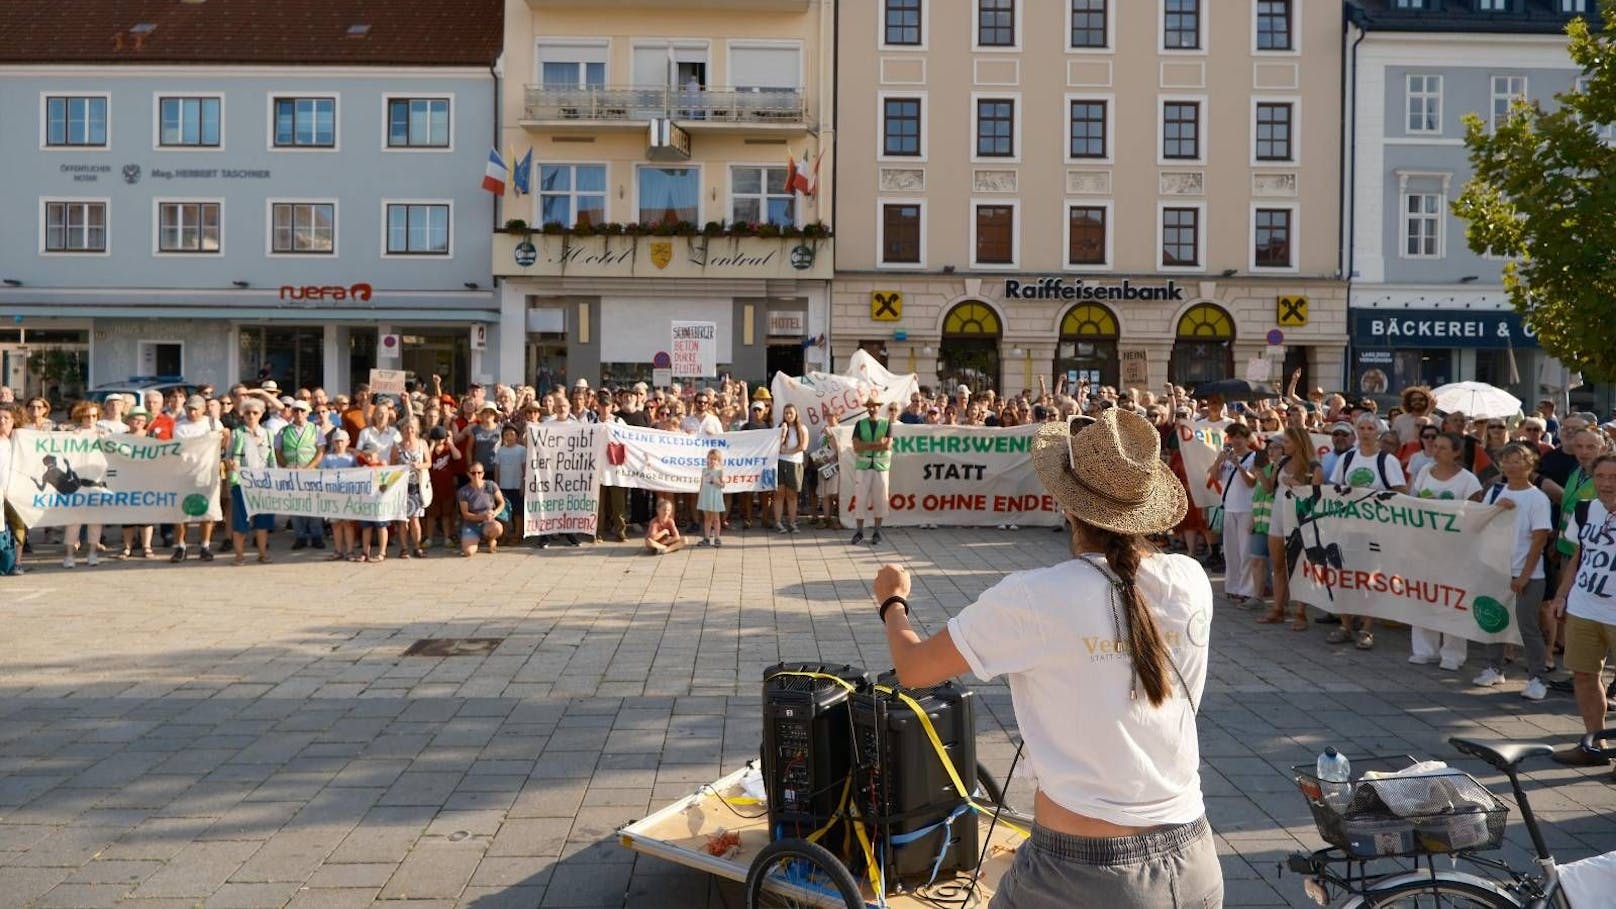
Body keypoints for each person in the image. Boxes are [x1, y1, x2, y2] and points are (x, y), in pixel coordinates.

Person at [871, 409, 1221, 908]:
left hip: (1082, 871)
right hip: (1194, 856)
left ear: (1065, 504)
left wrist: (893, 601)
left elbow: (914, 669)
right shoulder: (1190, 580)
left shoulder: (1036, 598)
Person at [1547, 454, 1616, 771]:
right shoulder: (1586, 509)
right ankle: (1594, 744)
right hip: (1584, 607)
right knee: (1585, 676)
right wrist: (1561, 595)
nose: (1606, 483)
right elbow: (1578, 555)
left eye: (1613, 477)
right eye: (1600, 476)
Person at [1472, 443, 1554, 699]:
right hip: (1495, 569)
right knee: (1493, 619)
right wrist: (1497, 508)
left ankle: (1538, 678)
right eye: (1506, 461)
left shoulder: (1538, 498)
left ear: (1530, 464)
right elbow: (1479, 523)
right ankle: (1493, 668)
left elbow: (1539, 540)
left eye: (1518, 461)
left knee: (1527, 626)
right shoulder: (1495, 490)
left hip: (1527, 573)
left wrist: (1524, 576)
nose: (1511, 466)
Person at [1327, 412, 1409, 650]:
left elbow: (1401, 492)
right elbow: (1336, 488)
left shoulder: (1387, 461)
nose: (1365, 433)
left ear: (1379, 432)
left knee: (1370, 578)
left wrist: (1378, 500)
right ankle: (1345, 625)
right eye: (1361, 428)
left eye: (1370, 429)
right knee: (1343, 575)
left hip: (1375, 531)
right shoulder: (1348, 459)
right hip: (1348, 528)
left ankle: (1367, 628)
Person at [1407, 432, 1483, 670]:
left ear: (1456, 452)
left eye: (1442, 447)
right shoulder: (1424, 473)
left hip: (1455, 550)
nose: (1435, 450)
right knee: (1422, 595)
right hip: (1425, 546)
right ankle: (1424, 649)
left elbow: (1476, 513)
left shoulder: (1468, 480)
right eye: (1434, 446)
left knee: (1453, 598)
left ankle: (1452, 654)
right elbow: (1413, 503)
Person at [1260, 427, 1325, 629]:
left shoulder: (1314, 467)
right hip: (1278, 516)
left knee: (1299, 567)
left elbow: (1316, 499)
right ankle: (1278, 609)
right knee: (1278, 565)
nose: (1283, 446)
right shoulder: (1282, 462)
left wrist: (1296, 484)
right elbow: (1270, 488)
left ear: (1298, 443)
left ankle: (1300, 612)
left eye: (1287, 442)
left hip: (1301, 521)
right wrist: (1259, 471)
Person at [1209, 424, 1258, 602]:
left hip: (1246, 508)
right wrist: (1219, 460)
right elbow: (1214, 477)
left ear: (1246, 439)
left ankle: (1246, 590)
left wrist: (1238, 465)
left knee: (1245, 551)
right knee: (1230, 551)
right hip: (1229, 507)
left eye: (1239, 437)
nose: (1236, 441)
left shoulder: (1254, 456)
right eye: (1232, 437)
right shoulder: (1226, 457)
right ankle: (1232, 586)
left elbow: (1251, 483)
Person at [223, 398, 276, 565]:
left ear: (261, 414)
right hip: (241, 483)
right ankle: (239, 556)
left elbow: (272, 459)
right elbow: (228, 456)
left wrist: (274, 480)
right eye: (247, 412)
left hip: (263, 483)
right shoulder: (237, 433)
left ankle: (263, 554)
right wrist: (230, 463)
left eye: (255, 412)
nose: (251, 415)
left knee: (263, 521)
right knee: (240, 521)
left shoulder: (268, 433)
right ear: (242, 414)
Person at [277, 400, 325, 551]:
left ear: (307, 412)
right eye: (296, 410)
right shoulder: (283, 431)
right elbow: (278, 451)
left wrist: (308, 468)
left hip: (311, 473)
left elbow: (320, 452)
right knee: (296, 505)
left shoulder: (316, 429)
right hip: (292, 473)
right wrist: (286, 466)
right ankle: (301, 536)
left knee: (314, 505)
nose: (299, 413)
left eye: (302, 411)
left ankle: (316, 536)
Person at [849, 394, 893, 546]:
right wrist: (877, 444)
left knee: (880, 500)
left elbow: (887, 446)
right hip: (863, 466)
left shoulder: (887, 423)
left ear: (879, 407)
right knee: (860, 500)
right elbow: (856, 447)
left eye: (875, 406)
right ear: (867, 408)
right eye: (870, 406)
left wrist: (866, 445)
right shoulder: (860, 424)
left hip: (881, 468)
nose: (872, 408)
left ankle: (877, 531)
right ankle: (859, 531)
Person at [394, 416, 429, 559]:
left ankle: (417, 546)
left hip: (416, 486)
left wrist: (418, 466)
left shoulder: (422, 444)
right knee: (402, 519)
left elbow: (429, 463)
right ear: (402, 430)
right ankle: (403, 548)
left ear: (416, 429)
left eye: (412, 428)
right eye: (406, 428)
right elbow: (391, 465)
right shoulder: (397, 446)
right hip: (401, 487)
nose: (409, 430)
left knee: (415, 519)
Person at [320, 430, 359, 560]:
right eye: (337, 441)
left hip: (348, 495)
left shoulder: (351, 458)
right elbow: (322, 474)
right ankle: (337, 550)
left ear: (347, 442)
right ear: (333, 443)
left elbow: (359, 474)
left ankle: (349, 551)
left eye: (342, 441)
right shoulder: (327, 458)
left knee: (348, 523)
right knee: (336, 524)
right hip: (333, 495)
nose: (340, 443)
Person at [456, 463, 505, 556]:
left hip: (489, 522)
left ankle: (491, 539)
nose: (476, 475)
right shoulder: (463, 491)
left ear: (483, 473)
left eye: (479, 472)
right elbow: (465, 514)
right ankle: (475, 540)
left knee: (497, 528)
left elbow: (501, 502)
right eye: (473, 473)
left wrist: (495, 513)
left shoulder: (491, 485)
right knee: (468, 552)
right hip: (471, 524)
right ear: (468, 474)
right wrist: (483, 516)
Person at [774, 403, 808, 534]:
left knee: (792, 495)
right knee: (779, 494)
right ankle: (778, 522)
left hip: (794, 463)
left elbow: (803, 446)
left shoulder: (802, 429)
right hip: (780, 463)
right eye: (786, 413)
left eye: (791, 413)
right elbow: (775, 445)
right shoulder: (780, 427)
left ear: (795, 414)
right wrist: (783, 434)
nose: (788, 415)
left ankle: (792, 522)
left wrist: (788, 451)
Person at [494, 425, 527, 545]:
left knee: (518, 512)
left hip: (517, 486)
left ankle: (518, 534)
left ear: (517, 436)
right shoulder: (500, 451)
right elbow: (497, 469)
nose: (509, 437)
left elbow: (525, 469)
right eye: (506, 435)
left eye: (512, 434)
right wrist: (496, 487)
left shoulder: (522, 450)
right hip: (504, 486)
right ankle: (505, 535)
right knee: (504, 513)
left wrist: (523, 484)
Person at [697, 447, 726, 547]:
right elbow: (702, 484)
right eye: (711, 458)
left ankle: (717, 538)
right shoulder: (704, 470)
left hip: (715, 497)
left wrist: (717, 481)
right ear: (707, 459)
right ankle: (706, 538)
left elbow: (723, 485)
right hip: (706, 496)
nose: (712, 461)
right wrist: (700, 495)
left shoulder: (720, 472)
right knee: (707, 518)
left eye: (715, 459)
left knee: (716, 518)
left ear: (718, 461)